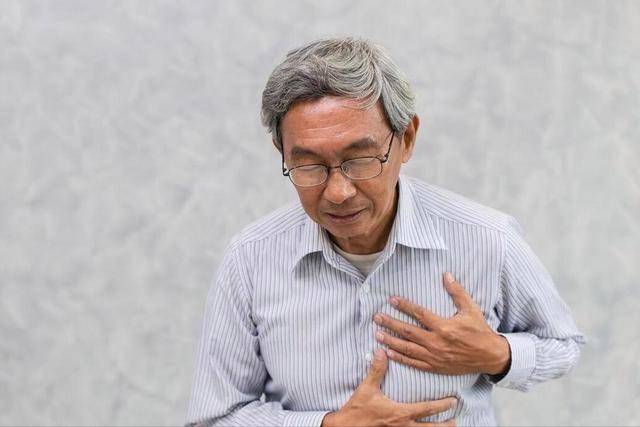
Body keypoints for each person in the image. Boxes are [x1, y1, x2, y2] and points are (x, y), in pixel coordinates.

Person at [185, 37, 585, 426]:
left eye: (359, 159)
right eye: (309, 165)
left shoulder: (488, 238)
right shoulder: (250, 258)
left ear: (406, 139)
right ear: (283, 153)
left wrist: (499, 354)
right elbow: (215, 417)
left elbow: (563, 346)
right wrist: (329, 426)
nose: (338, 192)